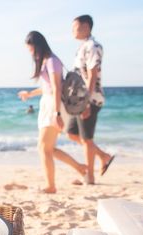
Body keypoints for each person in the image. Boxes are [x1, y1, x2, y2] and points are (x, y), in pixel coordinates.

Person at [18, 31, 87, 193]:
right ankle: (80, 168)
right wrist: (29, 94)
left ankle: (51, 186)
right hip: (47, 104)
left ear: (36, 45)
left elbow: (56, 88)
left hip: (54, 106)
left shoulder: (52, 61)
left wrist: (56, 113)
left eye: (30, 48)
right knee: (48, 148)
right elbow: (46, 87)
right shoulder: (46, 62)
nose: (29, 52)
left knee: (43, 147)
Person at [67, 15, 114, 185]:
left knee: (87, 139)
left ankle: (90, 178)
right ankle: (103, 156)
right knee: (72, 134)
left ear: (86, 27)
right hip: (79, 100)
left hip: (90, 99)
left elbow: (92, 75)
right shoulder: (82, 47)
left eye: (76, 27)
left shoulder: (94, 46)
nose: (73, 31)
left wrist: (86, 101)